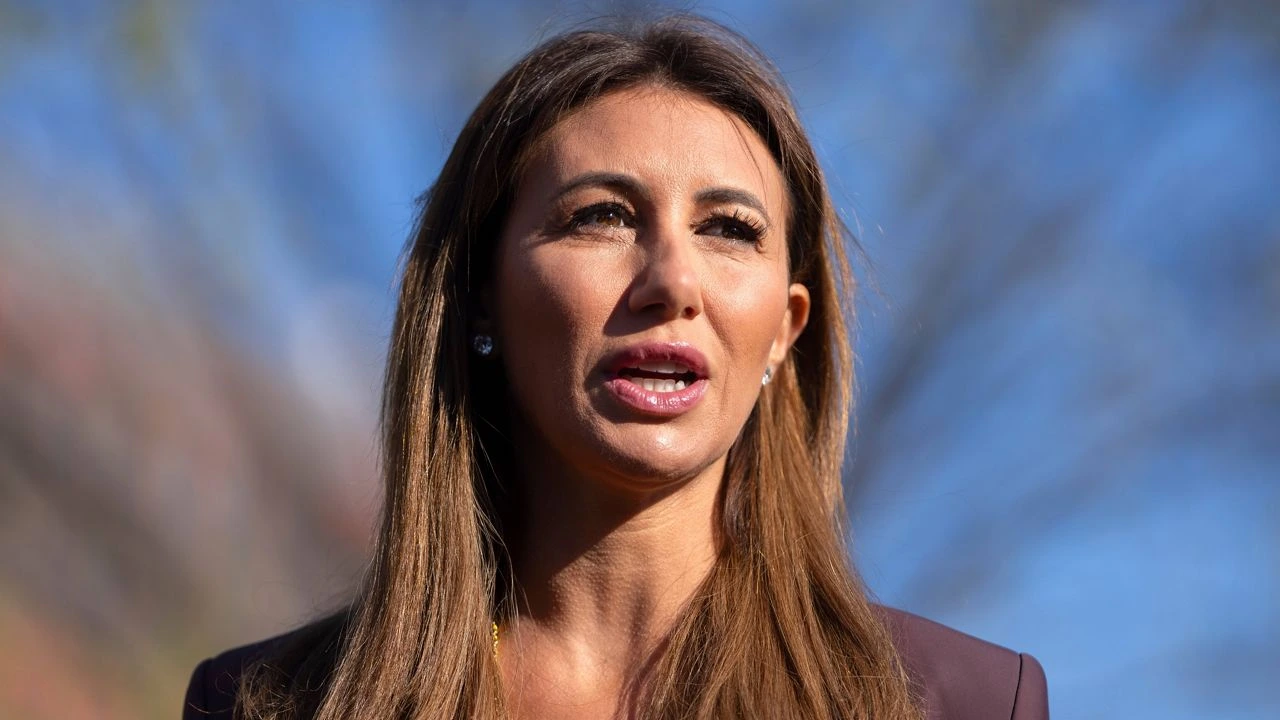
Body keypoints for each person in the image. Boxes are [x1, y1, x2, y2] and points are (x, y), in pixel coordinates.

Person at [183, 14, 1048, 720]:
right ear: (480, 296)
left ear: (786, 331)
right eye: (601, 216)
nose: (672, 281)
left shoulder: (963, 703)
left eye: (729, 229)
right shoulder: (263, 705)